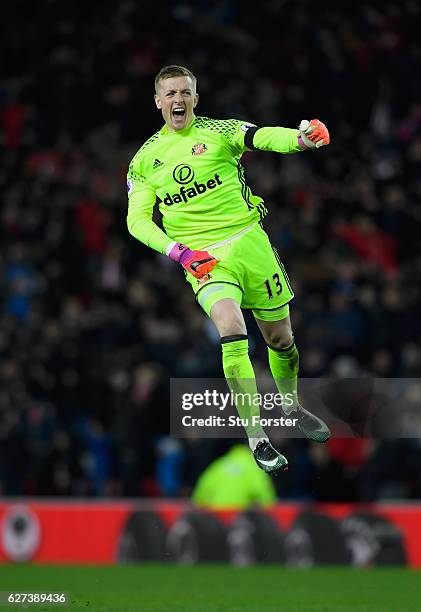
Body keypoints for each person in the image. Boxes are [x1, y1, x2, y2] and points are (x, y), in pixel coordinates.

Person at [126, 64, 331, 476]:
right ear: (157, 102)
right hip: (203, 258)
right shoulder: (145, 161)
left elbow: (260, 136)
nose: (177, 100)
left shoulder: (218, 132)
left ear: (195, 99)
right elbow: (137, 220)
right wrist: (180, 252)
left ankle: (289, 408)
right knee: (231, 328)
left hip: (249, 243)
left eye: (184, 92)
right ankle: (257, 438)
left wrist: (300, 139)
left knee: (281, 340)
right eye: (169, 94)